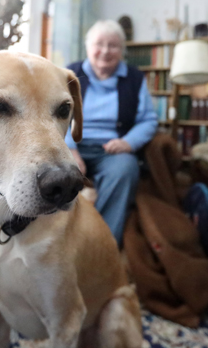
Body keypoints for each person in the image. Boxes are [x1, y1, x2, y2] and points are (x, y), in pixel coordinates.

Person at [66, 19, 159, 247]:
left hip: (111, 150)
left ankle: (101, 243)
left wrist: (129, 142)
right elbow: (56, 117)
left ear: (122, 50)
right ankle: (59, 239)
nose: (106, 51)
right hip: (72, 144)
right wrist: (70, 149)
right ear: (88, 47)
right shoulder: (71, 73)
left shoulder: (134, 78)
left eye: (113, 45)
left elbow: (148, 119)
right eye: (99, 44)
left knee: (126, 168)